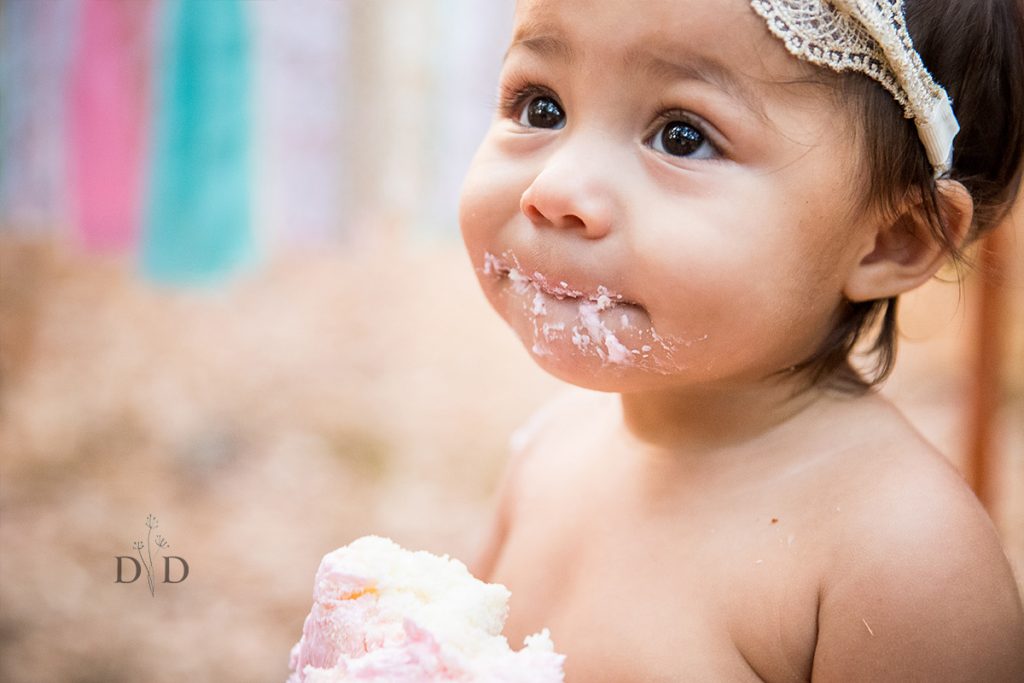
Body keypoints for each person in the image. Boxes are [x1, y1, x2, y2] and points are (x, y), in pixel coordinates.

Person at [459, 0, 1024, 680]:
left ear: (889, 239)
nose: (553, 190)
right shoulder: (549, 449)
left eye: (680, 136)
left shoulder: (901, 560)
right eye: (540, 106)